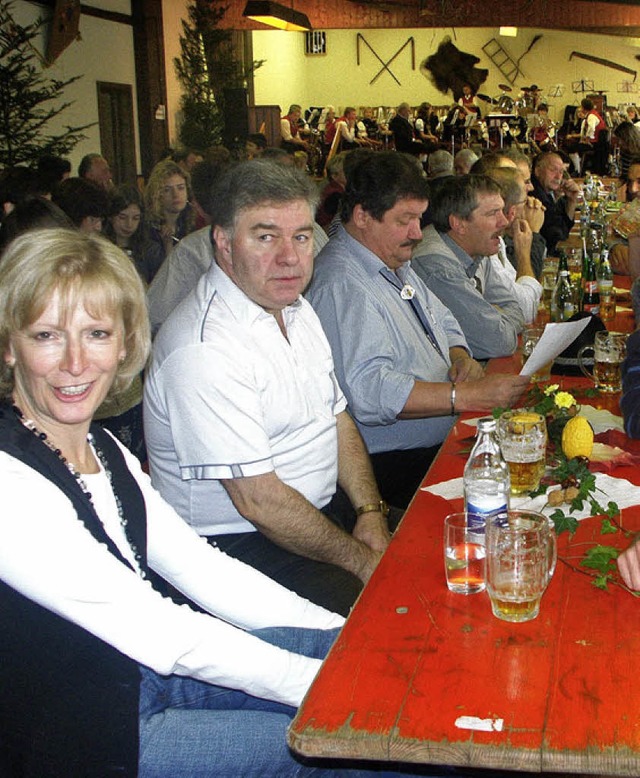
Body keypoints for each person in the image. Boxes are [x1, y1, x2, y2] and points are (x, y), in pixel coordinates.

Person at [0, 228, 349, 777]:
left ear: (124, 345)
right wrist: (332, 684)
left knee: (358, 660)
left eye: (96, 333)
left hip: (138, 681)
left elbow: (205, 570)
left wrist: (342, 638)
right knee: (342, 746)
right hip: (83, 736)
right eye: (46, 335)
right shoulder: (8, 481)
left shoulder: (104, 447)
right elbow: (164, 632)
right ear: (8, 346)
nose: (74, 363)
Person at [144, 160, 392, 616]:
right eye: (265, 237)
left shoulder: (293, 307)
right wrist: (362, 560)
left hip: (313, 515)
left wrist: (370, 512)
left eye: (300, 236)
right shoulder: (205, 347)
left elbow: (335, 418)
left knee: (450, 547)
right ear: (222, 242)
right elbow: (259, 502)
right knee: (387, 621)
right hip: (235, 549)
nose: (290, 257)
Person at [306, 152, 528, 508]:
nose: (416, 233)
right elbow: (370, 389)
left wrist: (459, 355)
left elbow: (443, 320)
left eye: (419, 219)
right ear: (362, 216)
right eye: (405, 220)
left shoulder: (390, 259)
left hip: (436, 441)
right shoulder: (342, 284)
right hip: (396, 466)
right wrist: (463, 396)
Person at [411, 174, 525, 360]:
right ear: (459, 224)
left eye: (502, 211)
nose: (504, 221)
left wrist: (497, 318)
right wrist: (495, 316)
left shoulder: (478, 247)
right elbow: (498, 342)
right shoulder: (438, 268)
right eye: (492, 214)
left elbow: (516, 308)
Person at [484, 166, 543, 323]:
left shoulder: (499, 240)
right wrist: (524, 253)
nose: (532, 203)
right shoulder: (485, 248)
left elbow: (523, 296)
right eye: (525, 200)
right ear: (512, 212)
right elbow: (526, 310)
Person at [144, 158, 196, 281]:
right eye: (167, 190)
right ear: (157, 195)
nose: (176, 194)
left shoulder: (191, 221)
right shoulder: (148, 229)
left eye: (180, 188)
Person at [530, 151, 580, 255]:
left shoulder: (548, 193)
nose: (558, 176)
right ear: (537, 171)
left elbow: (564, 229)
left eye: (561, 172)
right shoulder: (535, 195)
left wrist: (572, 200)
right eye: (553, 170)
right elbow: (558, 236)